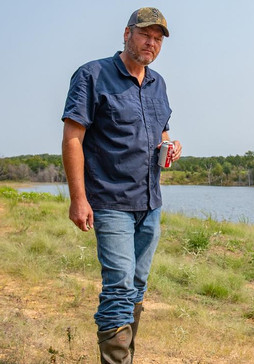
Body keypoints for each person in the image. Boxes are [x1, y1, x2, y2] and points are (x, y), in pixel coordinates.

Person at [60, 7, 182, 364]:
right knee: (118, 288)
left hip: (150, 202)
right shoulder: (92, 75)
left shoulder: (159, 84)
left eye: (158, 39)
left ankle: (124, 356)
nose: (152, 43)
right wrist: (78, 199)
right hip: (110, 202)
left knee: (138, 287)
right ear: (127, 34)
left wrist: (170, 147)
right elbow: (72, 139)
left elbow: (162, 132)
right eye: (146, 34)